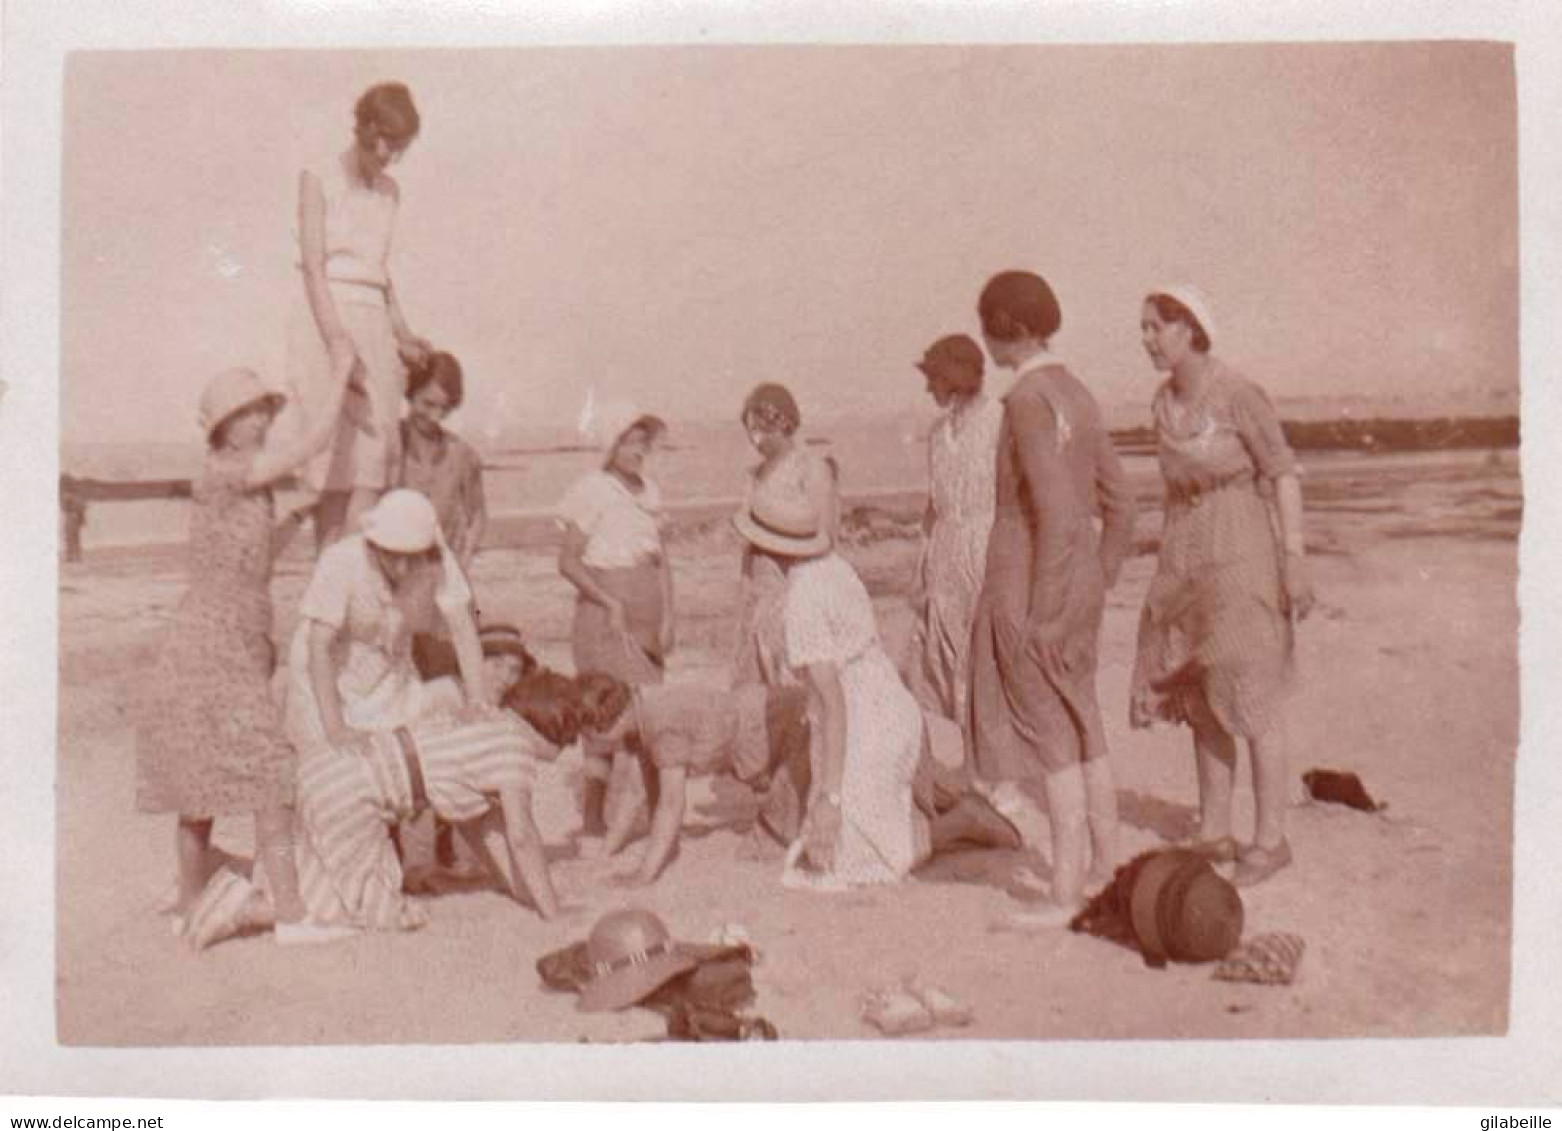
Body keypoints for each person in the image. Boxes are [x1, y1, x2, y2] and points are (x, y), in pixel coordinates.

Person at [136, 358, 359, 946]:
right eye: (246, 413)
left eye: (261, 410)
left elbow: (254, 563)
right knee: (267, 773)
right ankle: (290, 914)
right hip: (218, 636)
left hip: (224, 631)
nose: (258, 420)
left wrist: (298, 518)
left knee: (202, 773)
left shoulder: (238, 482)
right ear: (222, 427)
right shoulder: (229, 471)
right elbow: (313, 443)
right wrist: (338, 376)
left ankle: (190, 903)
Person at [968, 270, 1138, 926]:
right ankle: (1105, 865)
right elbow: (1121, 503)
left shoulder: (1027, 399)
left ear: (1007, 325)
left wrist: (1045, 607)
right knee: (1083, 719)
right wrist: (1098, 580)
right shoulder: (1079, 392)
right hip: (1077, 580)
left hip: (1026, 578)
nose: (985, 339)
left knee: (1048, 734)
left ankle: (1065, 892)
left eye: (987, 325)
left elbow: (1056, 509)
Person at [1130, 285, 1314, 887]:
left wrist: (1294, 558)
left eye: (1157, 327)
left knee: (1250, 689)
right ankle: (1214, 829)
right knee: (1201, 692)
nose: (1147, 338)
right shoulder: (1162, 403)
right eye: (1145, 328)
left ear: (1190, 330)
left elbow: (1282, 473)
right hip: (1185, 550)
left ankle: (1270, 839)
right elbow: (1171, 490)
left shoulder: (1238, 395)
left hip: (1241, 545)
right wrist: (1165, 574)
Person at [574, 671, 1021, 886]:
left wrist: (644, 873)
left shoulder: (662, 728)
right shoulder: (644, 706)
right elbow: (637, 793)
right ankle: (956, 803)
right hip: (778, 716)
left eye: (596, 739)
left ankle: (963, 822)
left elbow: (670, 806)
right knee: (884, 784)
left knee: (832, 848)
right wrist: (609, 853)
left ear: (606, 724)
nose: (599, 749)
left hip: (791, 732)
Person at [731, 474, 930, 888]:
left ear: (769, 553)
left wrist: (830, 797)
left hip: (867, 718)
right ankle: (938, 818)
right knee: (838, 850)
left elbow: (833, 704)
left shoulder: (802, 600)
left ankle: (962, 824)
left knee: (848, 865)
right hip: (888, 700)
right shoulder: (833, 565)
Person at [284, 81, 432, 551]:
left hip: (373, 323)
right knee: (332, 466)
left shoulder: (391, 191)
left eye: (401, 148)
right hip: (324, 318)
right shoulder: (318, 176)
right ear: (366, 128)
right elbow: (312, 266)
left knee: (373, 459)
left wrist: (403, 334)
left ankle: (355, 582)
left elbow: (379, 274)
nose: (391, 157)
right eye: (386, 143)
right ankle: (331, 582)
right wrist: (336, 340)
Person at [283, 489, 488, 760]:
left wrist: (477, 702)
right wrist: (335, 728)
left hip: (386, 673)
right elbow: (319, 646)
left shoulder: (436, 558)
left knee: (407, 748)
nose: (403, 567)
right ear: (374, 544)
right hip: (325, 674)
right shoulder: (342, 560)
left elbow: (463, 628)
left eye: (412, 556)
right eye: (392, 555)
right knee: (333, 759)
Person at [556, 401, 674, 838]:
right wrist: (609, 602)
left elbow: (663, 560)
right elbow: (568, 562)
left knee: (652, 713)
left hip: (646, 623)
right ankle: (593, 817)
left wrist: (670, 615)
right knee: (602, 715)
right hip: (604, 623)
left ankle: (658, 808)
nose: (639, 449)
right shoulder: (591, 489)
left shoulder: (651, 491)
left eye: (643, 440)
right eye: (629, 440)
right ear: (611, 445)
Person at [904, 334, 1004, 731]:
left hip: (987, 552)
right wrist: (921, 567)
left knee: (986, 664)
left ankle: (992, 773)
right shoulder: (937, 432)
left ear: (955, 377)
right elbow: (933, 505)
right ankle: (975, 767)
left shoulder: (1000, 420)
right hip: (945, 557)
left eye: (934, 377)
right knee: (947, 664)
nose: (929, 386)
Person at [731, 383, 839, 688]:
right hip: (760, 586)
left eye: (762, 430)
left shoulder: (811, 467)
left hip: (797, 583)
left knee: (794, 677)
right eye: (750, 431)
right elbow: (748, 541)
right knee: (756, 679)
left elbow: (827, 537)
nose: (755, 440)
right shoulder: (753, 475)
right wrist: (744, 590)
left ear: (784, 424)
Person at [398, 350, 487, 572]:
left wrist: (464, 561)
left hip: (443, 572)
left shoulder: (462, 454)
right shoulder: (391, 445)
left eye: (445, 408)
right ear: (410, 393)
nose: (435, 416)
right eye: (428, 404)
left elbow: (477, 514)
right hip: (393, 572)